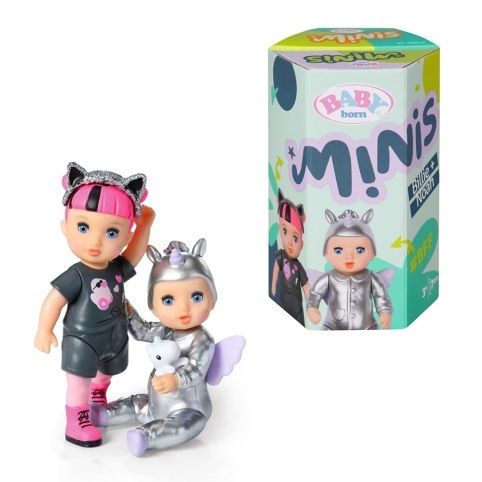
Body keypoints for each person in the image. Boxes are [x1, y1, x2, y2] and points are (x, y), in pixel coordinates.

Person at [34, 162, 155, 447]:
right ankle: (76, 418)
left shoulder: (116, 267)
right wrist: (44, 329)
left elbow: (136, 255)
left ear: (126, 236)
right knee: (78, 381)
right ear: (65, 228)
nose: (95, 242)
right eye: (83, 227)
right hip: (82, 339)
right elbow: (54, 300)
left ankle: (97, 396)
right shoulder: (76, 274)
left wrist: (146, 226)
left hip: (114, 336)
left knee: (105, 372)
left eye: (111, 232)